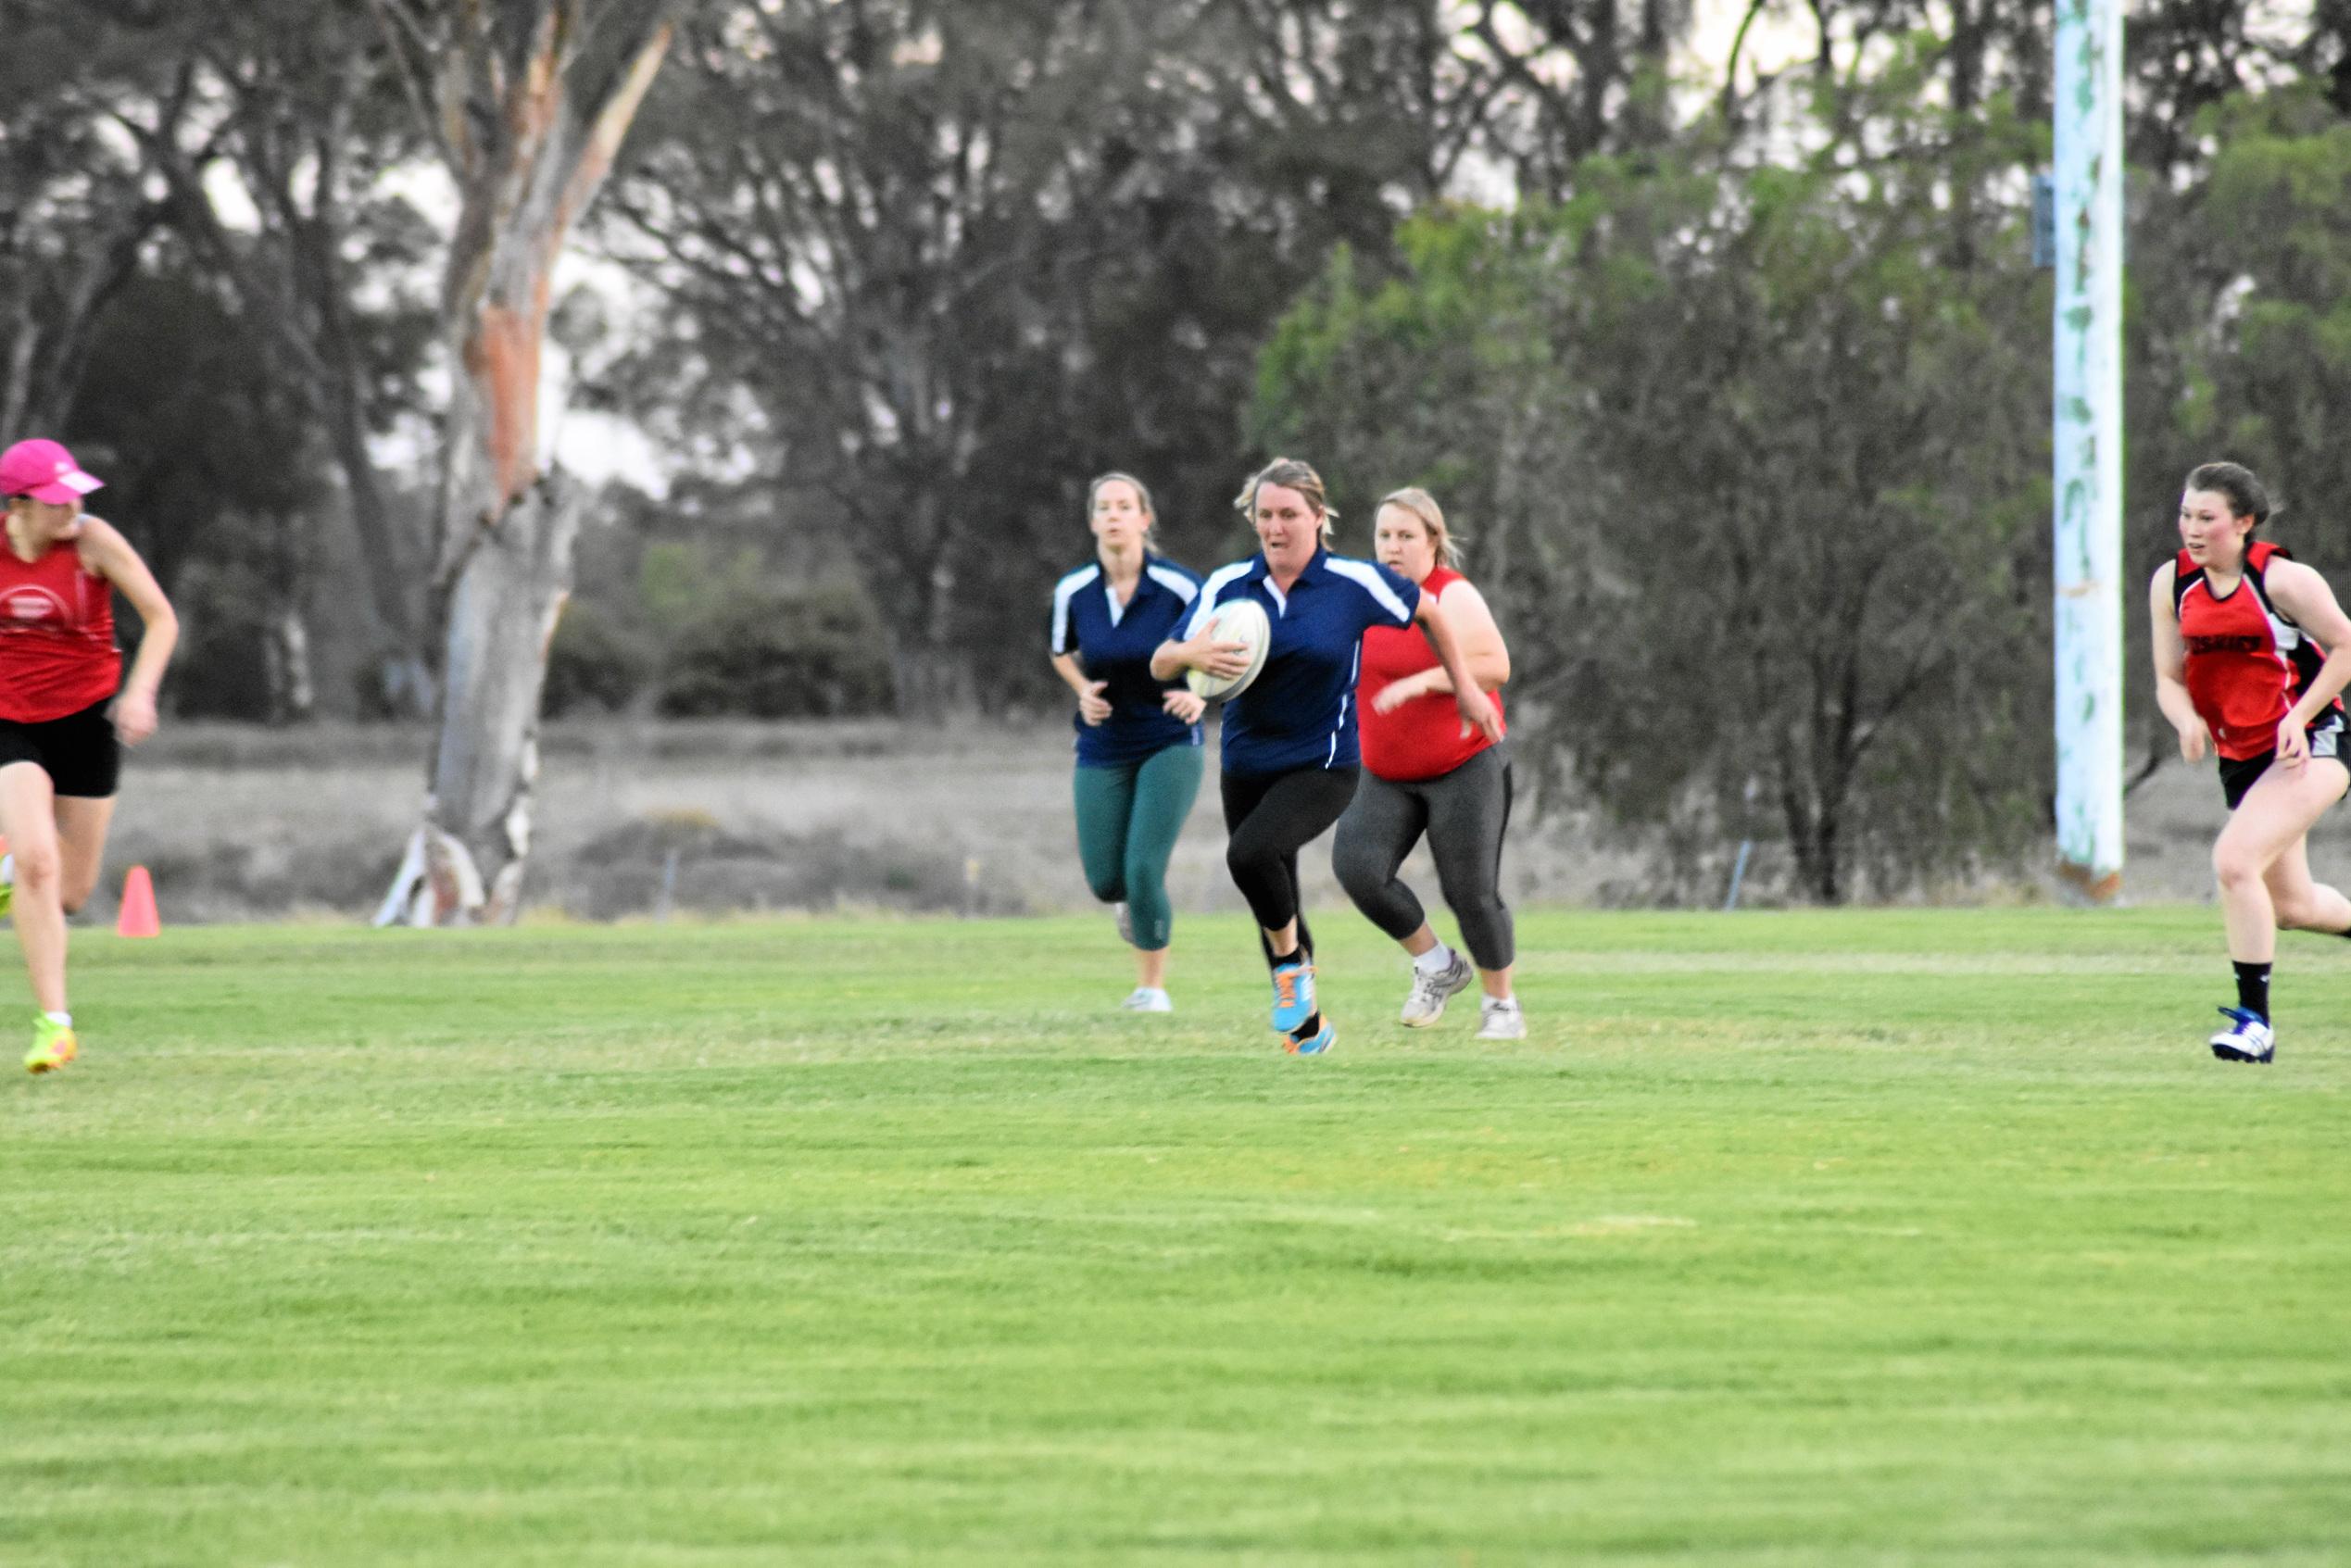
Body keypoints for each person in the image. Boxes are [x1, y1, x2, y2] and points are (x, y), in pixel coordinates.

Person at [1151, 458, 1499, 1054]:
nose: (1275, 527)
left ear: (1318, 517)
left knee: (1250, 854)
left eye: (1289, 514)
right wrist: (1192, 655)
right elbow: (1160, 662)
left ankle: (1292, 977)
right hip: (1246, 761)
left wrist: (1465, 685)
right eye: (1265, 515)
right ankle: (1308, 1029)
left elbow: (1431, 612)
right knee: (1271, 885)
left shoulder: (1353, 583)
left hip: (1325, 762)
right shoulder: (1228, 585)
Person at [2150, 460, 2351, 1065]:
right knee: (2292, 907)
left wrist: (2299, 713)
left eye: (2206, 517)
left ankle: (2255, 1025)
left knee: (2234, 860)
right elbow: (2166, 676)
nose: (2191, 527)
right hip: (2243, 759)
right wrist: (2186, 719)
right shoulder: (2171, 583)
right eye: (2186, 514)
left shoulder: (2284, 581)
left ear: (2243, 523)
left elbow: (2346, 646)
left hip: (2310, 741)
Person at [0, 437, 178, 1073]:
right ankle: (57, 1025)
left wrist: (141, 693)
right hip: (7, 722)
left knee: (70, 892)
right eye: (54, 499)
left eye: (74, 492)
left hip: (82, 721)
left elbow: (160, 618)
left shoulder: (94, 542)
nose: (70, 506)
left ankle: (8, 877)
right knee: (39, 863)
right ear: (17, 505)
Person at [1331, 488, 1524, 1040]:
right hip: (1387, 771)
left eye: (1406, 536)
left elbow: (1495, 664)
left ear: (1434, 543)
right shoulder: (1362, 595)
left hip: (1463, 764)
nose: (1393, 547)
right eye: (1384, 536)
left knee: (1470, 892)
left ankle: (1501, 1006)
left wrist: (1423, 682)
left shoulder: (1452, 595)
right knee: (1358, 870)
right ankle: (1438, 965)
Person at [1049, 471, 1206, 1011]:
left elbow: (1227, 646)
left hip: (1169, 737)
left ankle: (1151, 989)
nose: (1114, 515)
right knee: (1105, 880)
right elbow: (1060, 650)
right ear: (1093, 521)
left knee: (1143, 869)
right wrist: (1081, 689)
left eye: (1124, 506)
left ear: (1145, 518)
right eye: (1104, 507)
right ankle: (1133, 907)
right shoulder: (1074, 590)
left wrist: (1202, 696)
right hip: (1102, 742)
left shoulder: (1181, 587)